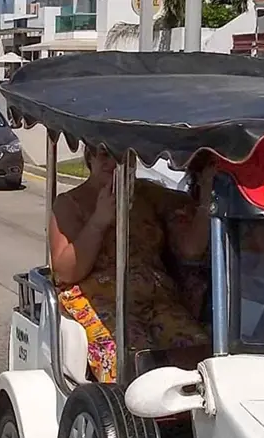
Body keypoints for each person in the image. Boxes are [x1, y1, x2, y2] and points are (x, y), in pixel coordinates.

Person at [49, 145, 212, 383]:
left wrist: (206, 196)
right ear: (90, 157)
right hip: (97, 298)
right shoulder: (70, 203)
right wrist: (99, 221)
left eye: (122, 157)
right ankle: (129, 416)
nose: (113, 163)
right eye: (105, 155)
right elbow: (65, 272)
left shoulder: (149, 195)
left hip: (155, 297)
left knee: (200, 356)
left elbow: (191, 248)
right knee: (129, 363)